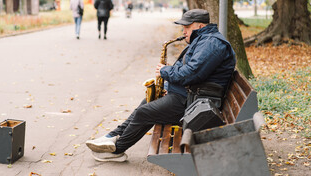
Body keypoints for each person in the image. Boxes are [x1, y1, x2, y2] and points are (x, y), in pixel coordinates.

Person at [86, 9, 236, 162]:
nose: (183, 31)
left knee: (144, 112)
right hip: (192, 96)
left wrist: (165, 71)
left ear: (199, 26)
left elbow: (192, 73)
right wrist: (169, 82)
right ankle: (111, 136)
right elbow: (193, 70)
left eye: (186, 27)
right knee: (146, 103)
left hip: (195, 103)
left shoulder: (211, 43)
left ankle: (116, 151)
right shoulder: (205, 40)